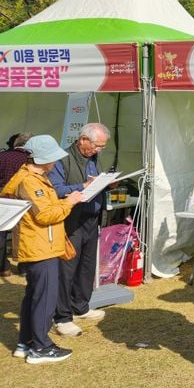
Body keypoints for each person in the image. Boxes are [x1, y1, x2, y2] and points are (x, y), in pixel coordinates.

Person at [1, 135, 83, 363]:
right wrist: (70, 202)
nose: (55, 163)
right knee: (44, 298)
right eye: (53, 158)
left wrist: (63, 200)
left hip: (41, 245)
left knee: (35, 297)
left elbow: (45, 206)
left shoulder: (34, 177)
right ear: (43, 158)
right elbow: (46, 215)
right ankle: (41, 347)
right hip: (40, 247)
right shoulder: (31, 181)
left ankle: (26, 342)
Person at [49, 123, 111, 337]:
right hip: (71, 221)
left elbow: (94, 183)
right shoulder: (61, 159)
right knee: (66, 269)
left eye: (102, 147)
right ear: (83, 139)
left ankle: (81, 306)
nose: (98, 150)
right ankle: (62, 317)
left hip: (91, 219)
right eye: (96, 145)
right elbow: (55, 190)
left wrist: (106, 183)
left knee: (86, 266)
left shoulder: (93, 158)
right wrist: (82, 187)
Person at [0, 132, 33, 276]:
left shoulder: (2, 156)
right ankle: (24, 267)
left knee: (1, 234)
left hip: (3, 197)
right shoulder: (31, 160)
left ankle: (3, 267)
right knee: (24, 234)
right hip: (24, 200)